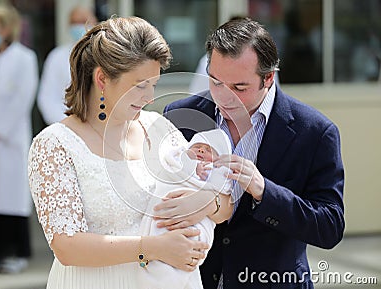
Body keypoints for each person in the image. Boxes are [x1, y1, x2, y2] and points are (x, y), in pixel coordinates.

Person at [28, 16, 231, 289]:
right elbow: (66, 246)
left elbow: (222, 204)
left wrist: (206, 203)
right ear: (102, 78)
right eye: (139, 86)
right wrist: (155, 248)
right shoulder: (55, 144)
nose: (149, 98)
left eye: (153, 86)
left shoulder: (159, 128)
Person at [160, 17, 345, 288]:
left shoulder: (316, 132)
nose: (224, 97)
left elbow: (329, 228)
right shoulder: (179, 116)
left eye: (239, 88)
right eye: (215, 82)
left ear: (268, 78)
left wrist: (264, 191)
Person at [0, 4, 38, 274]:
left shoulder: (23, 58)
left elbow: (22, 99)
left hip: (8, 139)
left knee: (10, 198)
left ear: (9, 27)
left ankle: (16, 252)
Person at [139, 128, 233, 289]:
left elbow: (225, 190)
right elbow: (172, 162)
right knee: (160, 240)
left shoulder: (218, 172)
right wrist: (191, 167)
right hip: (165, 207)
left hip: (195, 223)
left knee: (186, 247)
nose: (201, 150)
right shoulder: (179, 158)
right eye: (197, 147)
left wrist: (208, 193)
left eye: (209, 150)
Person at [37, 5, 97, 125]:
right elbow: (47, 98)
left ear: (95, 22)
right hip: (65, 127)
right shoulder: (56, 56)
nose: (79, 26)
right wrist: (67, 125)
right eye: (74, 23)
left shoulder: (105, 56)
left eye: (83, 21)